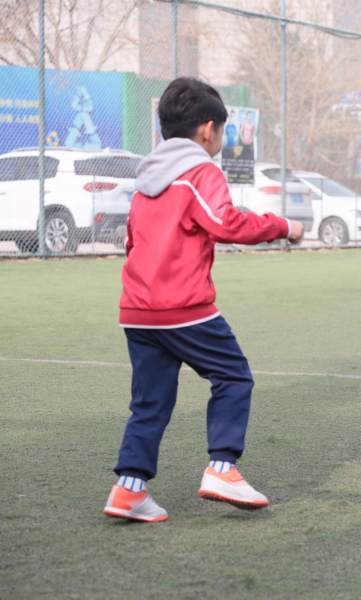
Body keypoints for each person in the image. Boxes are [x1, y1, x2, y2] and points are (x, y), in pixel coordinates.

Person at [103, 78, 305, 522]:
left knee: (150, 402)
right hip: (182, 309)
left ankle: (129, 490)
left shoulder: (146, 177)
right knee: (233, 377)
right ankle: (222, 468)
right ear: (209, 130)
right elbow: (225, 222)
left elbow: (133, 240)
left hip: (137, 310)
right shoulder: (200, 172)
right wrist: (282, 226)